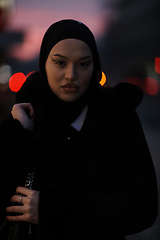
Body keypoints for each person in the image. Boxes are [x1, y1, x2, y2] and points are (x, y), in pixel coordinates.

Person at [0, 19, 158, 240]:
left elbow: (144, 207)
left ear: (95, 67)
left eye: (83, 64)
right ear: (44, 63)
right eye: (60, 63)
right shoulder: (25, 116)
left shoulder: (118, 117)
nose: (71, 75)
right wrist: (21, 136)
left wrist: (58, 211)